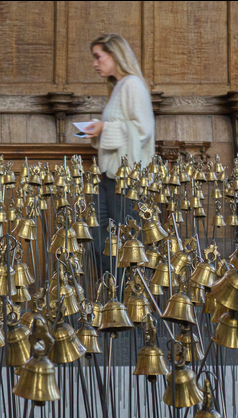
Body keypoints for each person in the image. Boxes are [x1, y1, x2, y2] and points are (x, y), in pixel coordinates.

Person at [81, 33, 155, 270]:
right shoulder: (119, 87)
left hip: (125, 178)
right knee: (99, 237)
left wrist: (105, 127)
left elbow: (143, 129)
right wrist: (101, 129)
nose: (94, 63)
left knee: (122, 240)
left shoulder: (132, 84)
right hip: (109, 176)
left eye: (98, 57)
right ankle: (110, 294)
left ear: (114, 55)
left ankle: (124, 300)